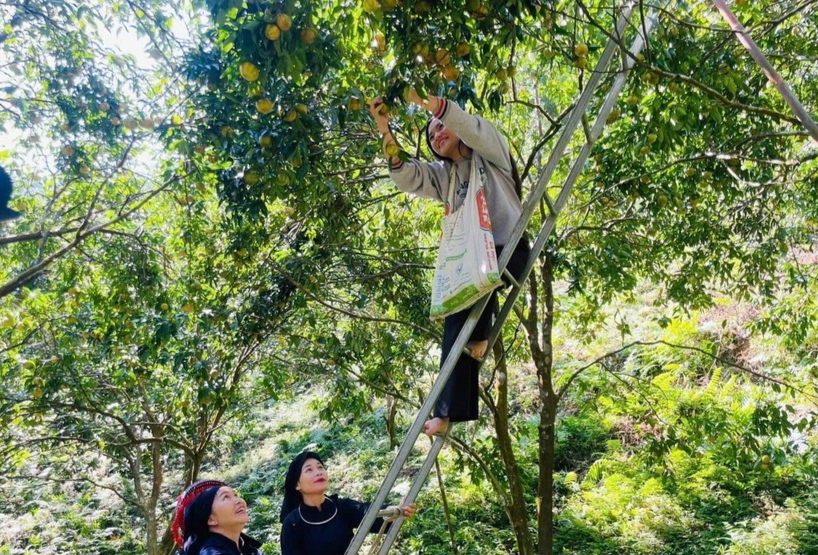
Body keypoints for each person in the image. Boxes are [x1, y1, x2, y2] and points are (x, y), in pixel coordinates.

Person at [369, 90, 530, 438]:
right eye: (431, 136)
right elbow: (405, 174)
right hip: (477, 263)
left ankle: (446, 411)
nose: (438, 135)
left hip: (508, 250)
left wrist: (426, 102)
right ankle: (478, 339)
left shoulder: (489, 149)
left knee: (460, 309)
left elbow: (469, 126)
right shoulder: (446, 177)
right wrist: (384, 128)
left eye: (441, 127)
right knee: (461, 316)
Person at [279, 451, 417, 555]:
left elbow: (367, 512)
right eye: (309, 470)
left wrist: (395, 510)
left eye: (320, 467)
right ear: (297, 485)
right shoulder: (292, 523)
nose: (318, 472)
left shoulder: (341, 507)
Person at [171, 479, 263, 555]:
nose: (239, 501)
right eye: (225, 497)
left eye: (235, 495)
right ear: (210, 519)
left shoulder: (247, 548)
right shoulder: (211, 552)